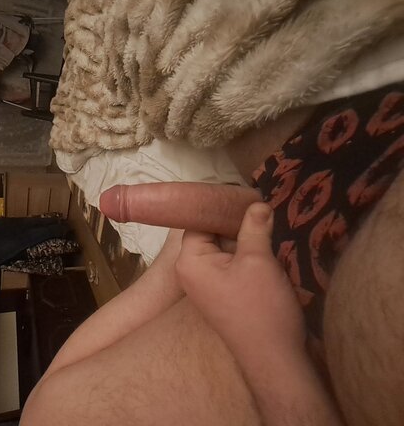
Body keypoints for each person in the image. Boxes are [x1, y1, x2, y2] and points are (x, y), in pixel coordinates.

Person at [20, 83, 404, 425]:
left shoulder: (39, 411)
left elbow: (164, 281)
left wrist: (197, 233)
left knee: (209, 73)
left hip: (280, 204)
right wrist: (269, 353)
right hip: (327, 359)